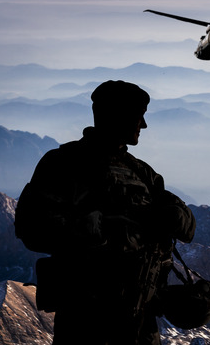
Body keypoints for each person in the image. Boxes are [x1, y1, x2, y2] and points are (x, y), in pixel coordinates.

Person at [15, 80, 196, 345]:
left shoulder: (143, 172)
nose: (143, 126)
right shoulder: (62, 164)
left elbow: (187, 227)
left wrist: (173, 217)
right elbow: (29, 228)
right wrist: (88, 229)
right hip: (85, 321)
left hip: (141, 321)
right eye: (138, 117)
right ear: (115, 116)